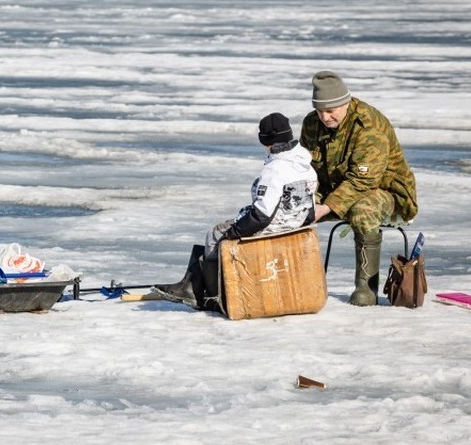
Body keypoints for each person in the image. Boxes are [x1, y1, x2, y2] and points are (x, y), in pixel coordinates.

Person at [157, 112, 318, 309]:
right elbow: (309, 206)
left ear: (265, 140)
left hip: (273, 226)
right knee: (227, 227)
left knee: (215, 234)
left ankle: (215, 298)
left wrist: (233, 233)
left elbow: (262, 215)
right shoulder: (304, 164)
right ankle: (191, 285)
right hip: (295, 223)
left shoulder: (276, 169)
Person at [299, 71, 418, 306]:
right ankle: (296, 282)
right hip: (334, 189)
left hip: (386, 193)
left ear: (345, 102)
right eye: (320, 111)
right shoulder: (311, 123)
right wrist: (306, 198)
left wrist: (326, 207)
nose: (325, 117)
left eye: (331, 110)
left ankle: (366, 288)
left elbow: (364, 182)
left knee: (362, 209)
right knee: (292, 206)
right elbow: (304, 169)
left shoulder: (368, 125)